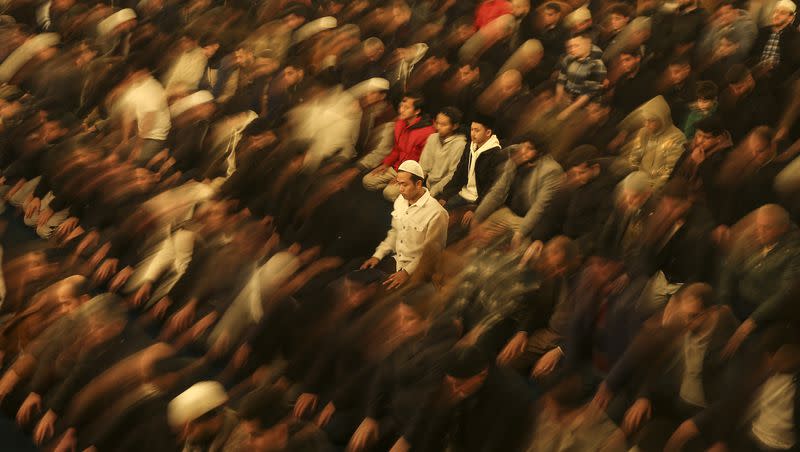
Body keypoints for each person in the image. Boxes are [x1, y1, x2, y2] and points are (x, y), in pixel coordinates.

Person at [362, 160, 449, 290]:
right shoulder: (400, 201)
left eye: (404, 185)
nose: (400, 189)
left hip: (419, 271)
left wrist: (406, 273)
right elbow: (395, 233)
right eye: (399, 184)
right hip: (398, 261)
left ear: (418, 184)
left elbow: (431, 254)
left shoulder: (437, 213)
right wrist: (378, 255)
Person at [471, 134, 563, 248]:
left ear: (540, 153)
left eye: (529, 148)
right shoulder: (516, 158)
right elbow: (498, 192)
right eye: (523, 146)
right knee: (478, 234)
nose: (523, 151)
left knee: (516, 244)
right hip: (508, 213)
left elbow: (539, 207)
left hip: (529, 221)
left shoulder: (551, 170)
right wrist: (477, 217)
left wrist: (521, 232)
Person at [362, 93, 435, 201]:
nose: (401, 110)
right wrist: (386, 164)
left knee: (388, 193)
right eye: (401, 106)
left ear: (417, 111)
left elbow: (423, 164)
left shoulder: (427, 132)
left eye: (406, 108)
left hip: (411, 173)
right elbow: (396, 149)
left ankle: (409, 194)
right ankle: (397, 190)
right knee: (367, 181)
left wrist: (403, 177)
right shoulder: (400, 123)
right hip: (396, 167)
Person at [437, 114, 505, 214]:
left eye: (477, 130)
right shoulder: (470, 146)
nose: (473, 134)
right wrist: (445, 195)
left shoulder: (495, 154)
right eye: (472, 129)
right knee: (437, 212)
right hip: (463, 194)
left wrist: (476, 209)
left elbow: (491, 187)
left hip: (477, 201)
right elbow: (459, 174)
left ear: (488, 132)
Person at [168, 381, 240, 452]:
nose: (186, 433)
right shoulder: (196, 439)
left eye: (192, 426)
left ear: (213, 419)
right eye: (183, 428)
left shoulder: (242, 440)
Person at [417, 107, 468, 199]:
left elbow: (452, 175)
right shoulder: (432, 138)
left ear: (455, 126)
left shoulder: (460, 144)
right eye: (437, 123)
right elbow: (423, 166)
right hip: (426, 185)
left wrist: (432, 192)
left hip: (443, 190)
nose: (438, 127)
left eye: (443, 124)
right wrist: (416, 183)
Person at [555, 33, 607, 115]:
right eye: (569, 47)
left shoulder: (597, 65)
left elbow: (588, 95)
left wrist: (567, 112)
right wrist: (558, 99)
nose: (572, 50)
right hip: (568, 98)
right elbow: (561, 79)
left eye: (576, 46)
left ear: (587, 44)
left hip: (585, 106)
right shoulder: (569, 58)